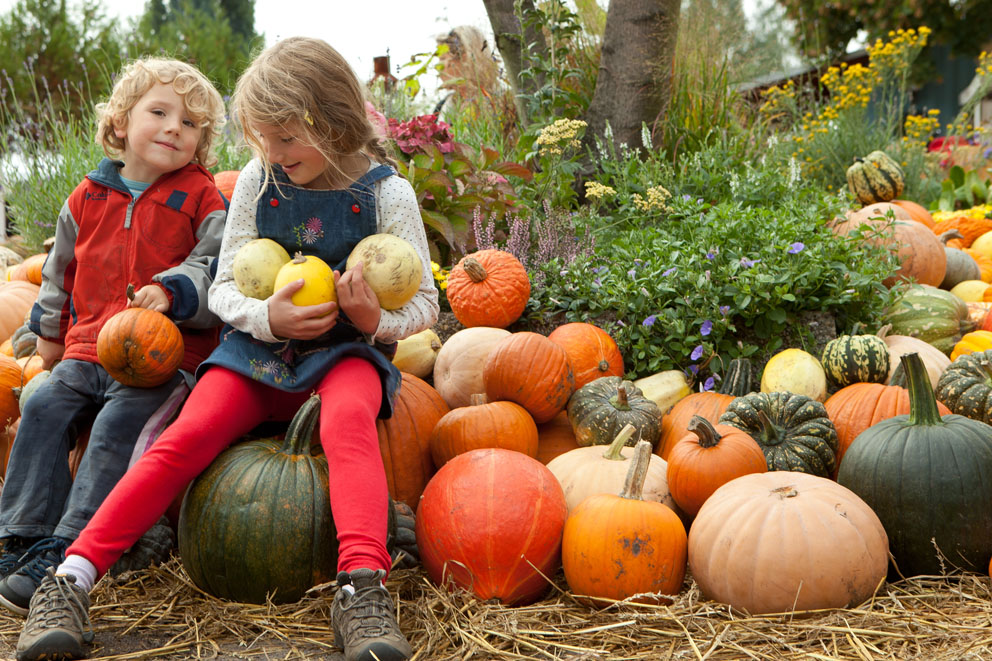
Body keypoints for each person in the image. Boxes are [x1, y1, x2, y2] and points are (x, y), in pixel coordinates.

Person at [15, 36, 438, 661]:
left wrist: (374, 319)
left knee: (349, 424)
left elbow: (426, 303)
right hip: (256, 351)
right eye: (263, 139)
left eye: (286, 138)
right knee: (185, 436)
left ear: (332, 119)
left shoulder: (387, 194)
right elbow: (222, 289)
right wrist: (269, 316)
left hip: (345, 352)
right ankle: (70, 579)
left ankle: (362, 590)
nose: (273, 153)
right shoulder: (259, 182)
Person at [0, 57, 227, 619]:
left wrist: (172, 291)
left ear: (200, 144)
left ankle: (70, 547)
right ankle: (22, 536)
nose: (174, 128)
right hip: (87, 350)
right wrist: (50, 339)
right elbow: (59, 274)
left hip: (163, 360)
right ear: (121, 122)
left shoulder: (202, 198)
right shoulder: (87, 197)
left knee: (115, 427)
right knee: (43, 405)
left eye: (190, 123)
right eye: (160, 113)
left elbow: (216, 268)